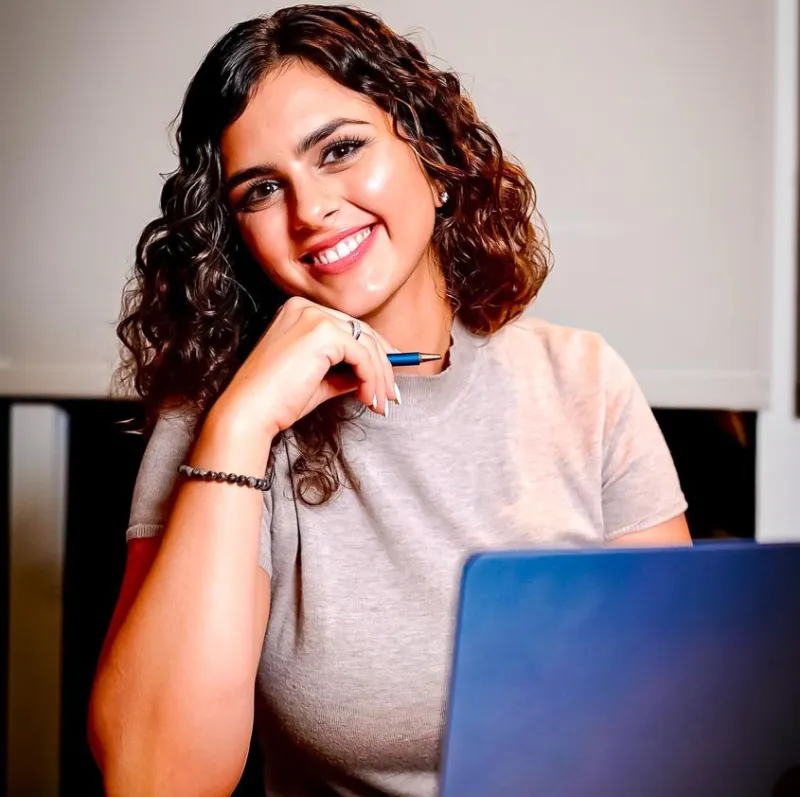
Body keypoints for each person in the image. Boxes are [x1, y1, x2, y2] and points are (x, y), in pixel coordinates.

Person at [88, 5, 691, 796]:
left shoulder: (583, 380)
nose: (311, 211)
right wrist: (242, 426)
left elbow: (681, 714)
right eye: (263, 189)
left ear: (434, 160)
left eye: (340, 150)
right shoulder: (215, 419)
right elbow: (155, 777)